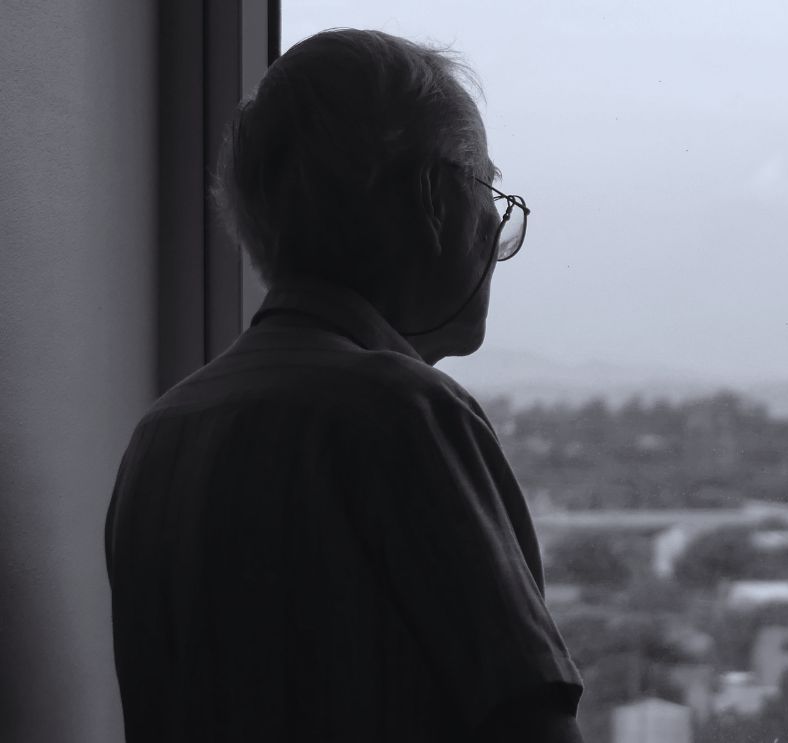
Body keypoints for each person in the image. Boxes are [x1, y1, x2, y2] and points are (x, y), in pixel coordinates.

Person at [104, 29, 585, 742]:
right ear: (432, 198)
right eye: (487, 189)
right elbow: (529, 723)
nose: (495, 229)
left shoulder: (162, 433)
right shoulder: (400, 412)